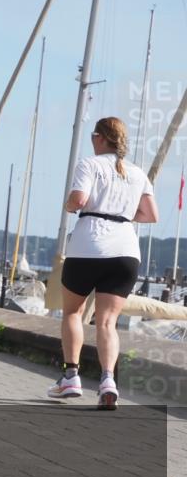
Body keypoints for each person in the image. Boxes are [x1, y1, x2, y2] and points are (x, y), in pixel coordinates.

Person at [50, 117, 158, 410]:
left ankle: (71, 377)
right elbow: (151, 214)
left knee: (73, 312)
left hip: (88, 247)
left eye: (92, 136)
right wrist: (121, 213)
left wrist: (69, 206)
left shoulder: (89, 164)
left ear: (100, 138)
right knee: (107, 322)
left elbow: (78, 200)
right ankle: (108, 382)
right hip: (125, 251)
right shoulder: (137, 173)